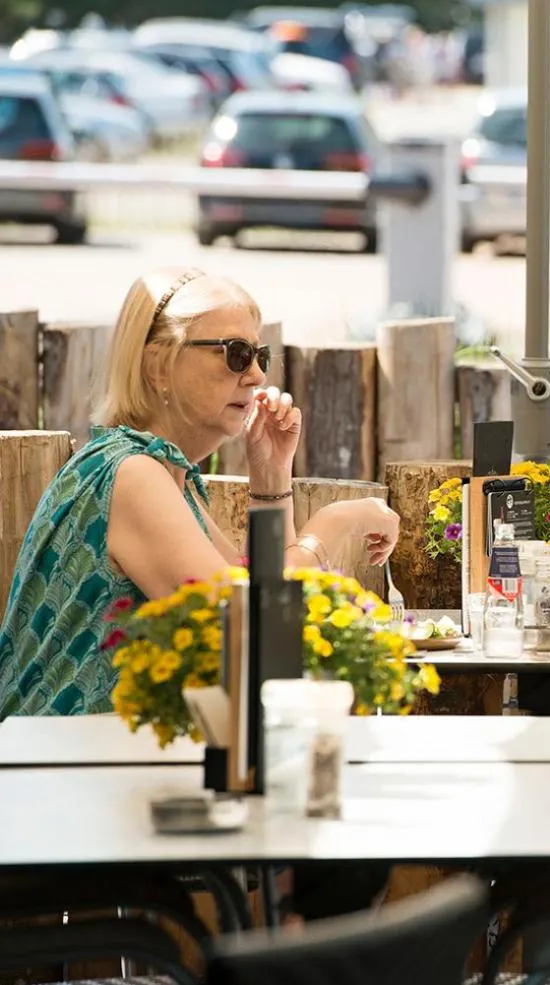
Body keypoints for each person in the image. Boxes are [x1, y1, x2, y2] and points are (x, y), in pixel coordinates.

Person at [0, 266, 399, 919]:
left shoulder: (162, 473)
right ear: (158, 365)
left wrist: (271, 479)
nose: (257, 377)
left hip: (109, 777)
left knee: (332, 812)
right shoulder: (129, 474)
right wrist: (335, 525)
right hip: (58, 798)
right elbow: (258, 632)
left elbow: (255, 598)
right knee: (338, 827)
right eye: (234, 354)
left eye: (260, 355)